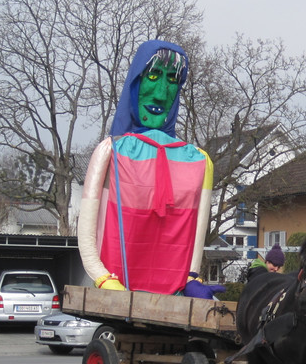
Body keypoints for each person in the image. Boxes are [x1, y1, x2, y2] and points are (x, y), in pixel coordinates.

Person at [77, 40, 213, 295]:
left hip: (173, 297)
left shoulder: (199, 160)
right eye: (152, 75)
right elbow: (86, 234)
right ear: (135, 81)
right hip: (115, 289)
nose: (161, 93)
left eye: (172, 79)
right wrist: (103, 278)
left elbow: (196, 236)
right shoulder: (111, 151)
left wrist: (192, 279)